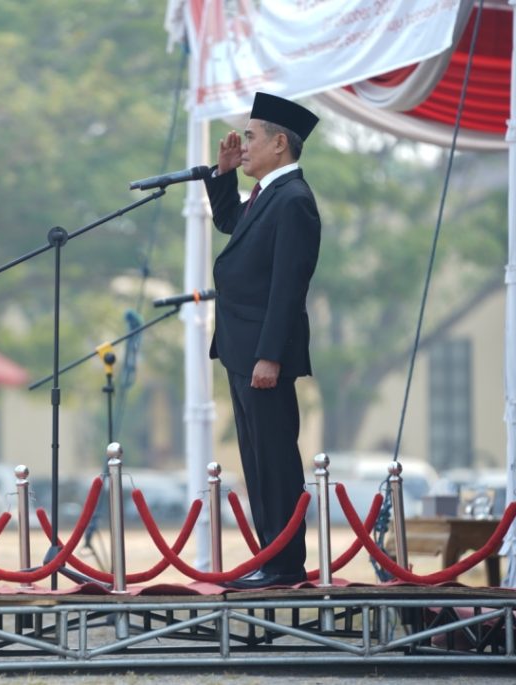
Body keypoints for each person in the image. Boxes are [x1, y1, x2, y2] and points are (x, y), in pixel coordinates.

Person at [202, 92, 321, 589]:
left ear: (279, 143)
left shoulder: (293, 199)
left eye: (250, 137)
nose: (242, 144)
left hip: (261, 354)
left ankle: (285, 563)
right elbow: (232, 225)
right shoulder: (266, 194)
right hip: (241, 347)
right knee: (254, 459)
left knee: (274, 458)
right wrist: (224, 174)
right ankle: (271, 554)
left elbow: (287, 287)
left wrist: (270, 355)